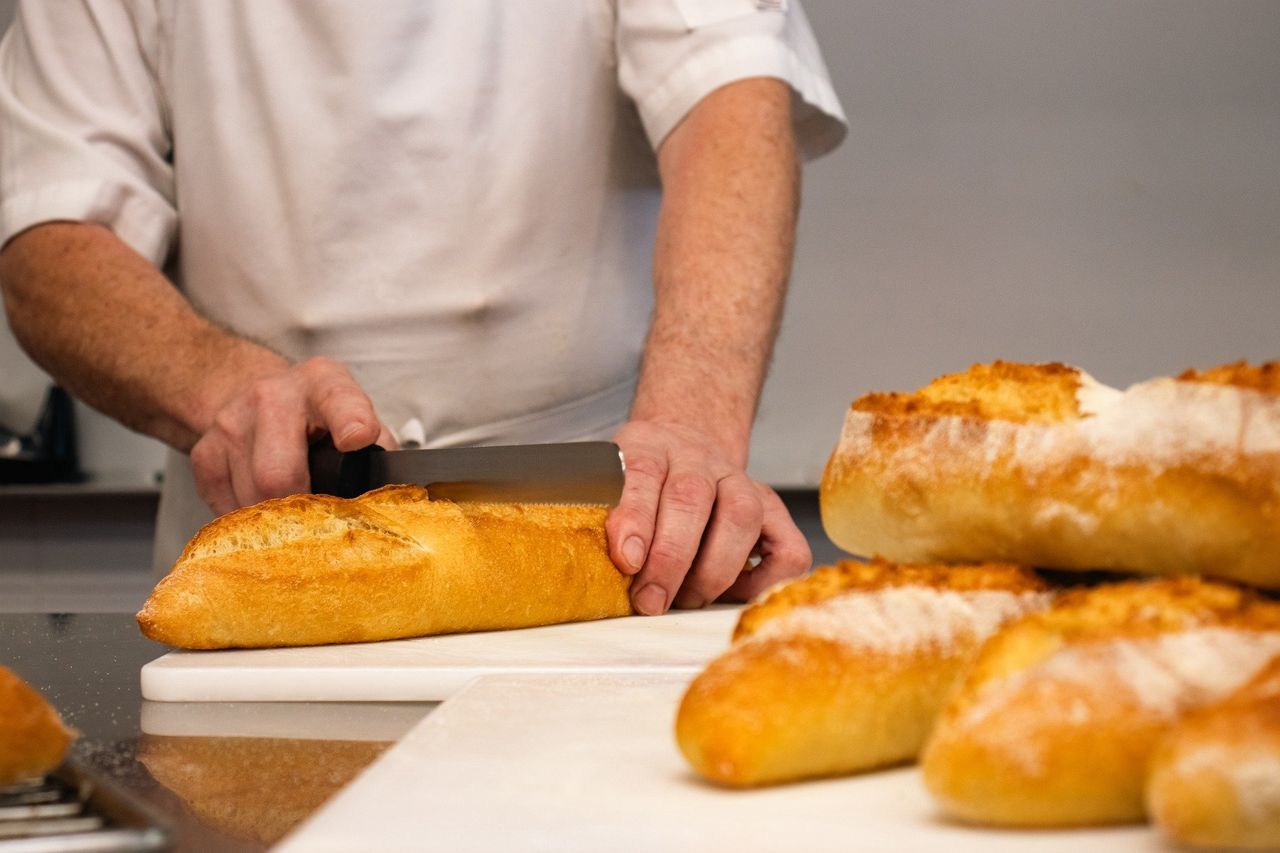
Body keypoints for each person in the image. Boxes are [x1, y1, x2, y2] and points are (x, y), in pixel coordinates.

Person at [0, 2, 845, 615]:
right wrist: (216, 383)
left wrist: (690, 427)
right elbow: (48, 226)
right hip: (266, 544)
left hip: (603, 545)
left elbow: (731, 101)